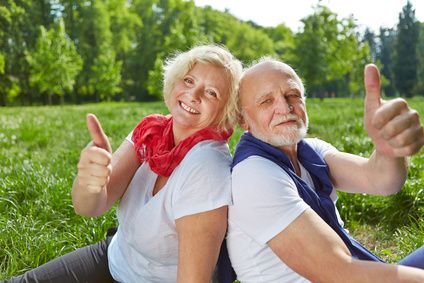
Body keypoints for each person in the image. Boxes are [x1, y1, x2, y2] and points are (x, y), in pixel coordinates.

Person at [3, 44, 243, 283]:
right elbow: (88, 207)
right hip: (115, 258)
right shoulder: (152, 131)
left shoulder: (206, 167)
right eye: (189, 80)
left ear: (225, 110)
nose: (194, 94)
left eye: (212, 92)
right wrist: (90, 182)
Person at [226, 58, 424, 282]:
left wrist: (388, 150)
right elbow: (338, 273)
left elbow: (382, 181)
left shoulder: (309, 151)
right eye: (266, 101)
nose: (285, 107)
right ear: (243, 119)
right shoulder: (254, 175)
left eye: (292, 95)